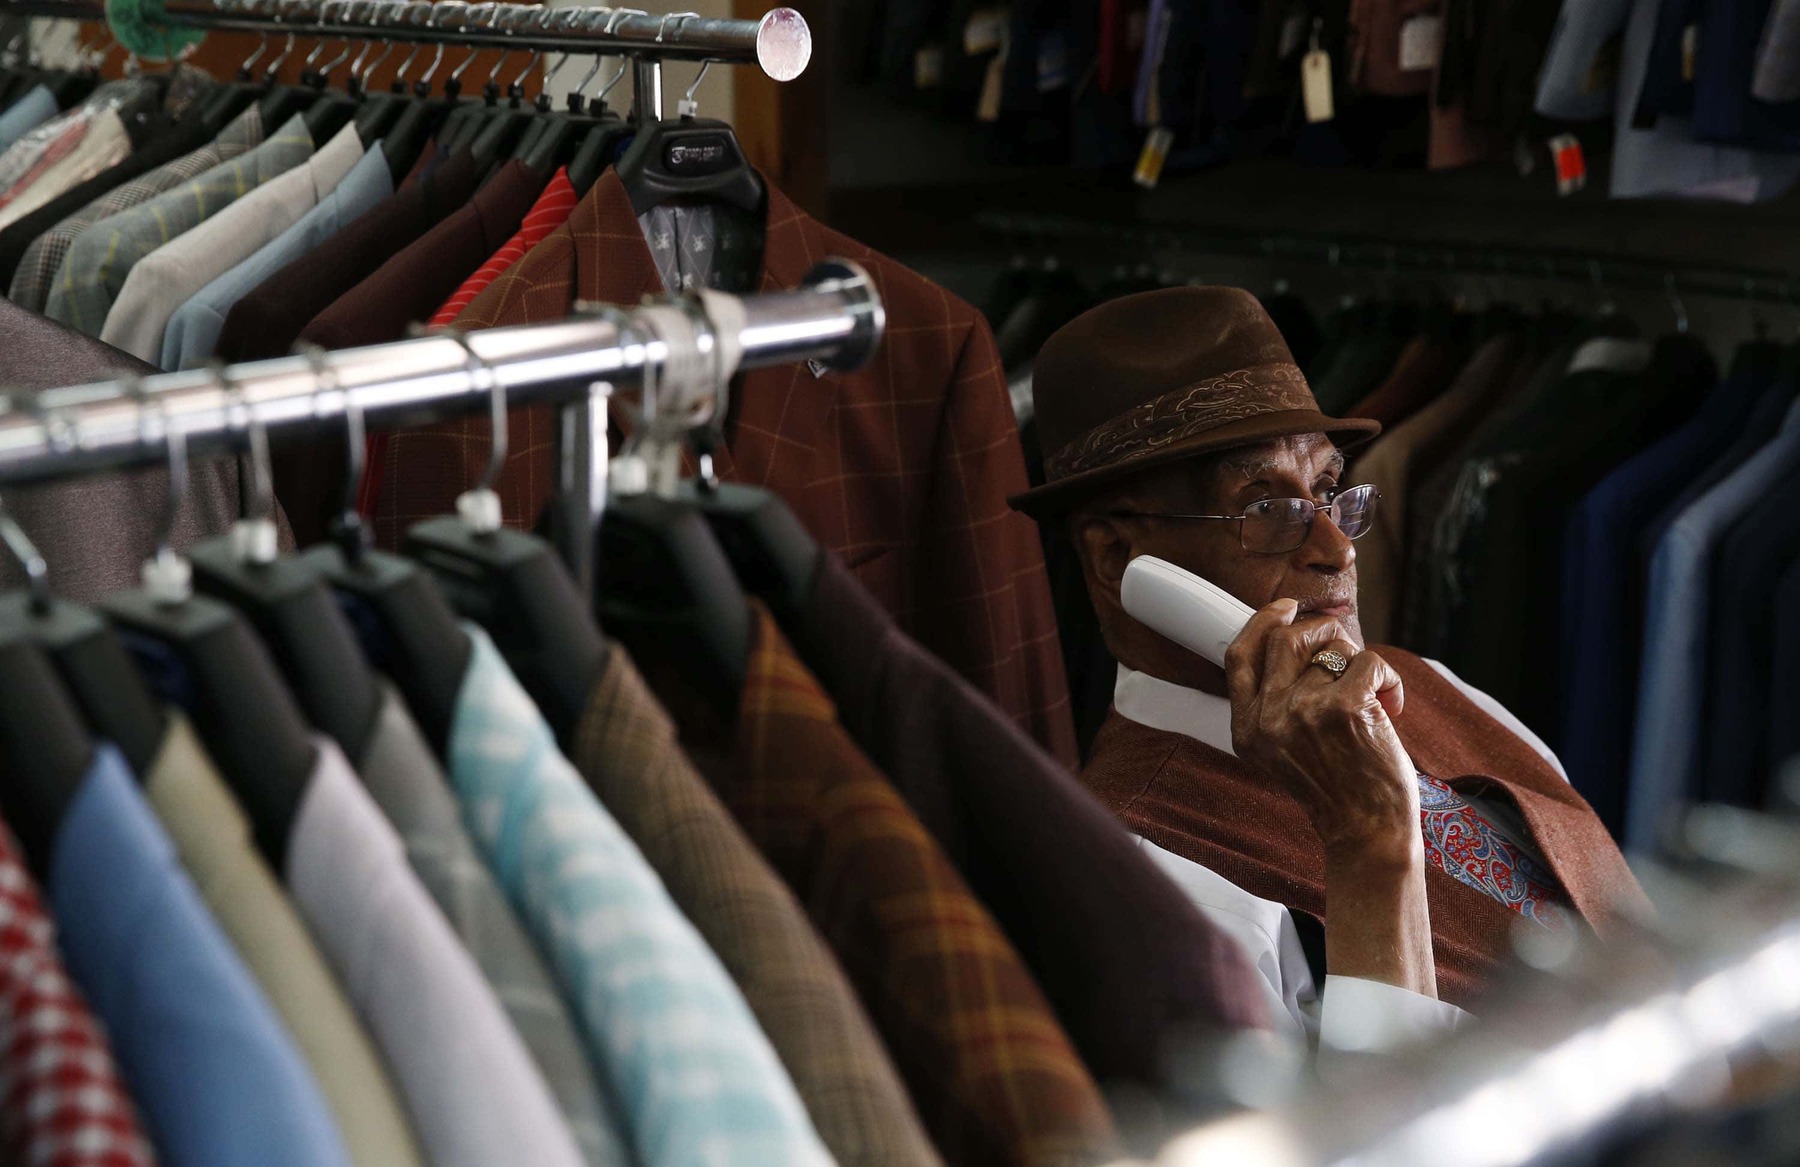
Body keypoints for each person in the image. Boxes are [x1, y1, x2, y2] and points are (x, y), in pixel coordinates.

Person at [1010, 286, 1649, 1053]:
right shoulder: (1144, 878)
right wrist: (1369, 845)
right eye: (1266, 508)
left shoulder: (1436, 685)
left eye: (1326, 490)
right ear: (1117, 559)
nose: (1338, 549)